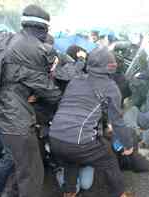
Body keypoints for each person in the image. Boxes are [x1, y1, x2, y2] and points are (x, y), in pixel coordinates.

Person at [0, 5, 62, 197]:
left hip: (3, 109)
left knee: (17, 161)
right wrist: (64, 100)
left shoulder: (11, 40)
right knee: (31, 172)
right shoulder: (34, 49)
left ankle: (0, 193)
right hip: (15, 115)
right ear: (43, 28)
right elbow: (47, 89)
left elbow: (17, 76)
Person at [49, 46, 134, 197]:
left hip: (55, 137)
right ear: (111, 66)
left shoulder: (75, 80)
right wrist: (128, 145)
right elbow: (117, 122)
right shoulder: (110, 87)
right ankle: (120, 194)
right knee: (108, 159)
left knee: (71, 160)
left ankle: (69, 192)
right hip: (79, 141)